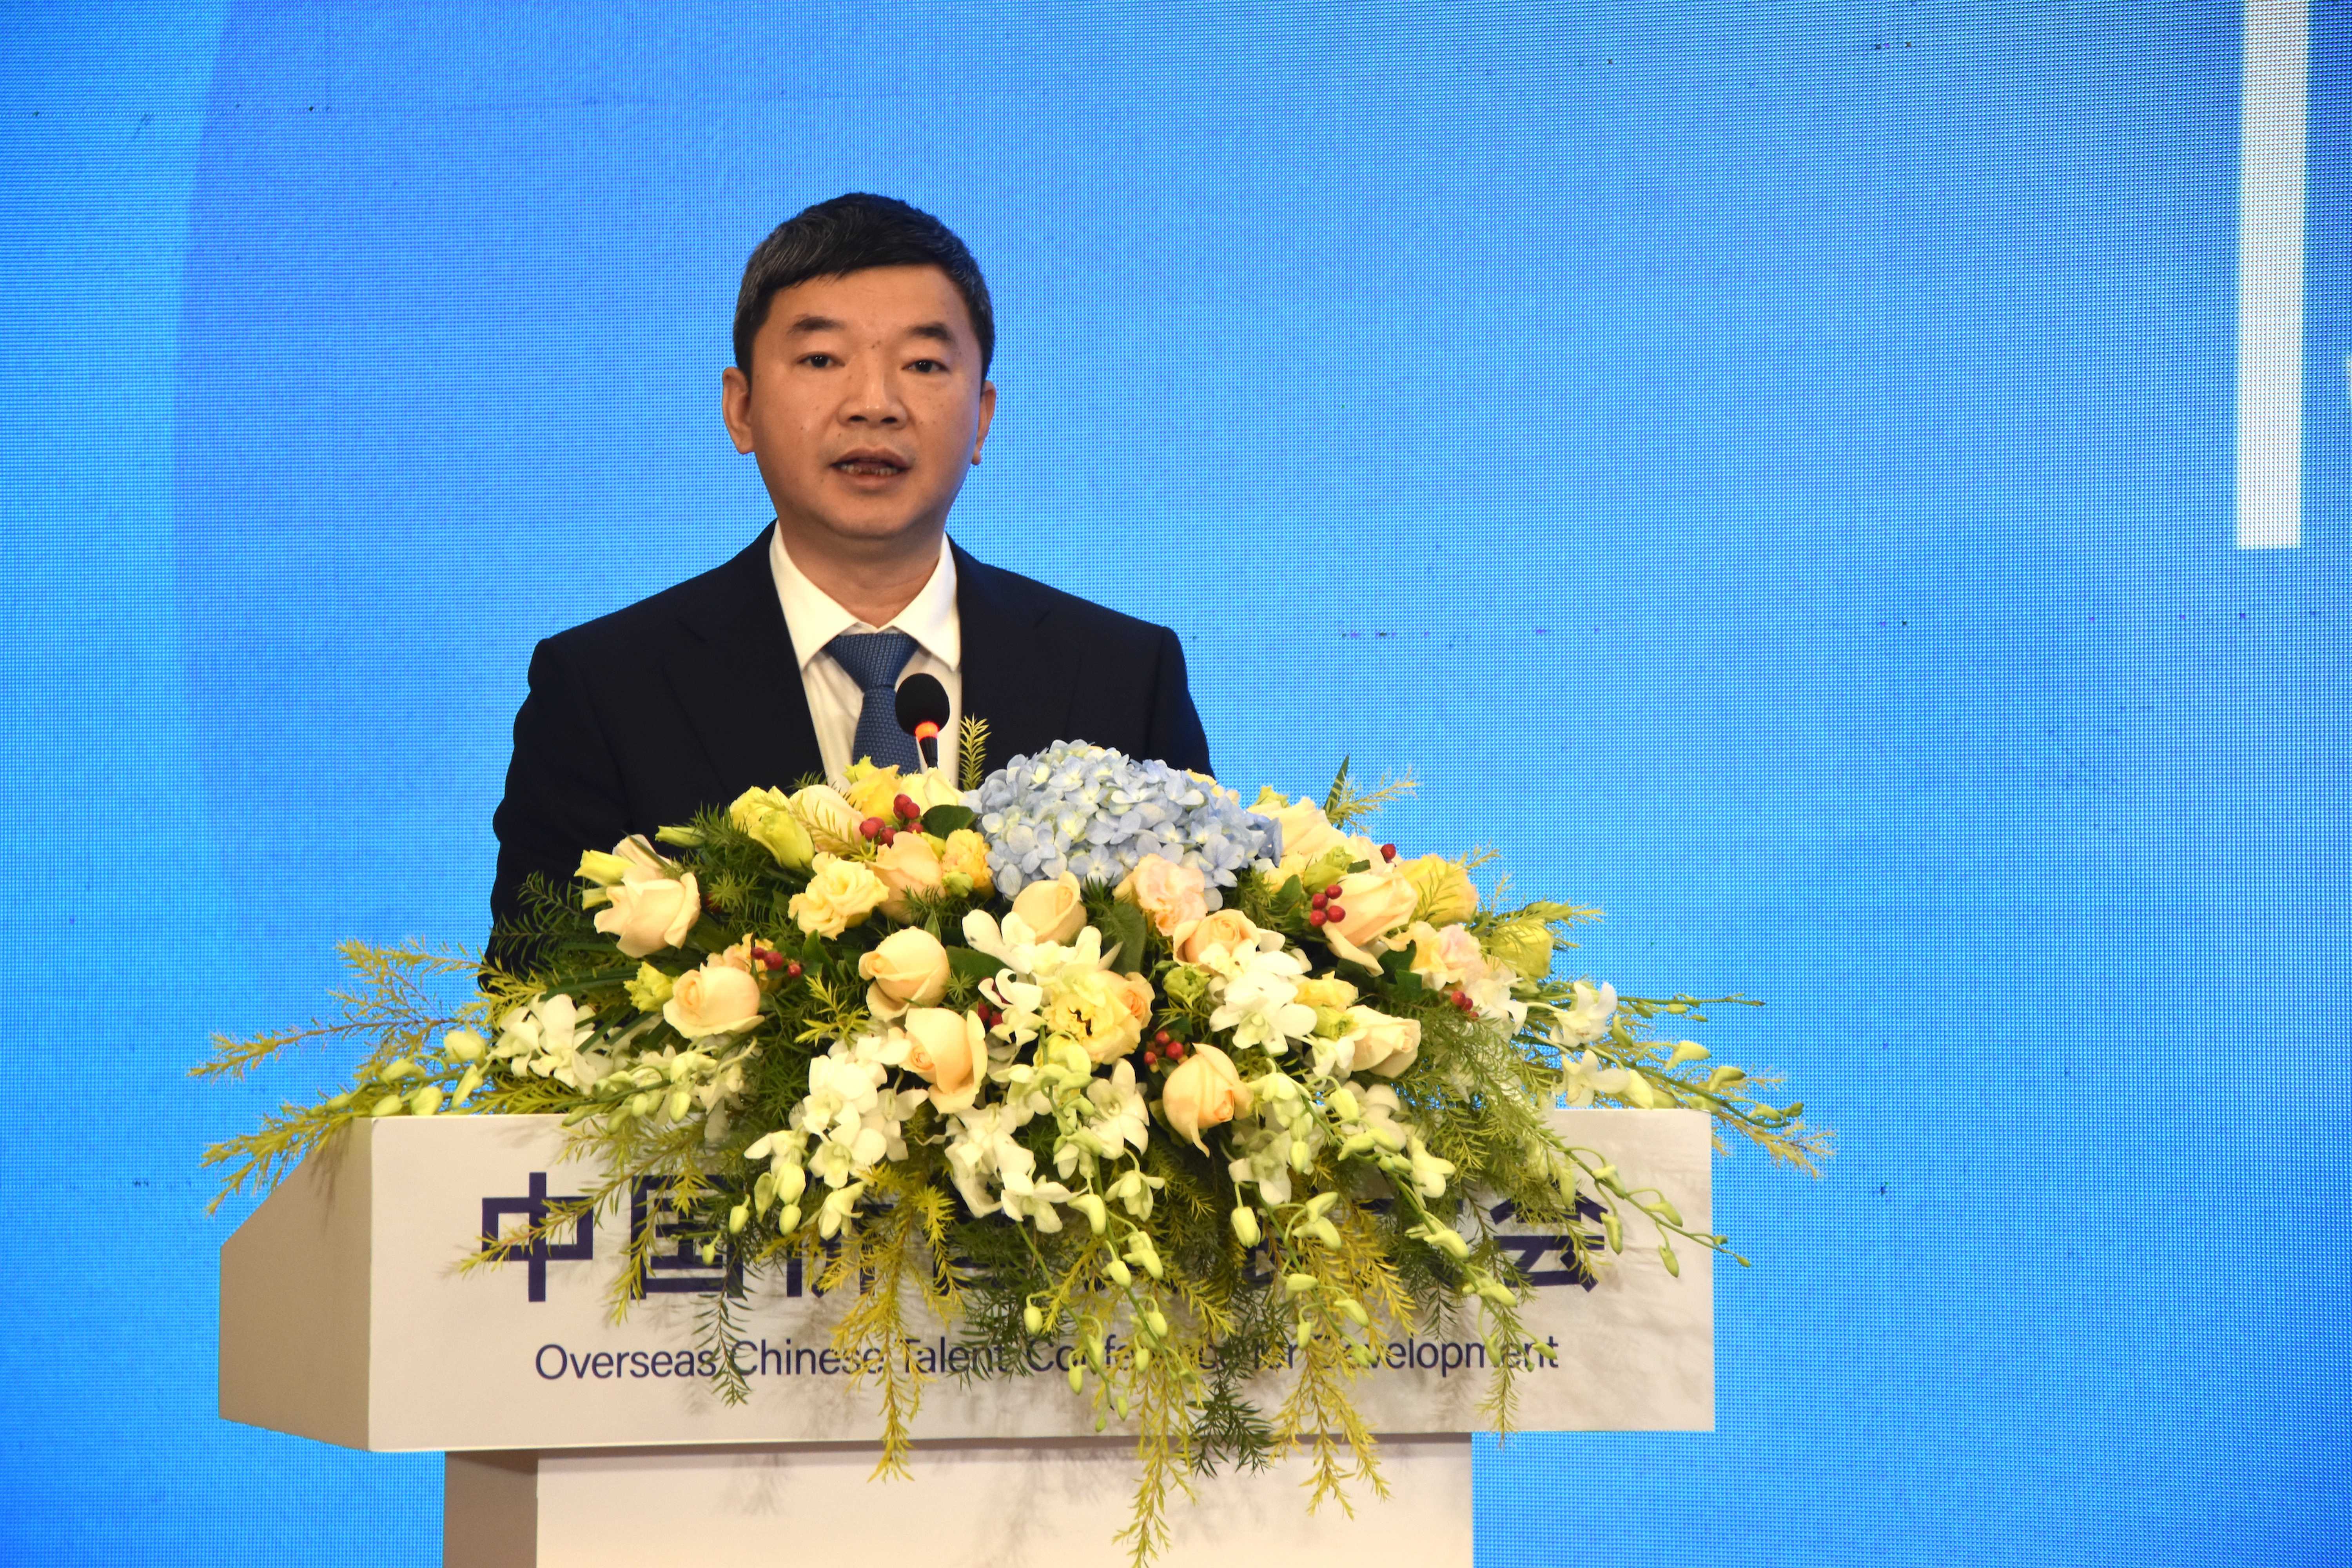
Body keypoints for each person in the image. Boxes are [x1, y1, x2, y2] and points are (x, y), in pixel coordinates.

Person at [489, 194, 1213, 932]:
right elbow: (536, 985)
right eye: (821, 360)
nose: (874, 404)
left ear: (982, 418)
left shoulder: (1124, 677)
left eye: (923, 363)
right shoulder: (605, 692)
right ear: (741, 409)